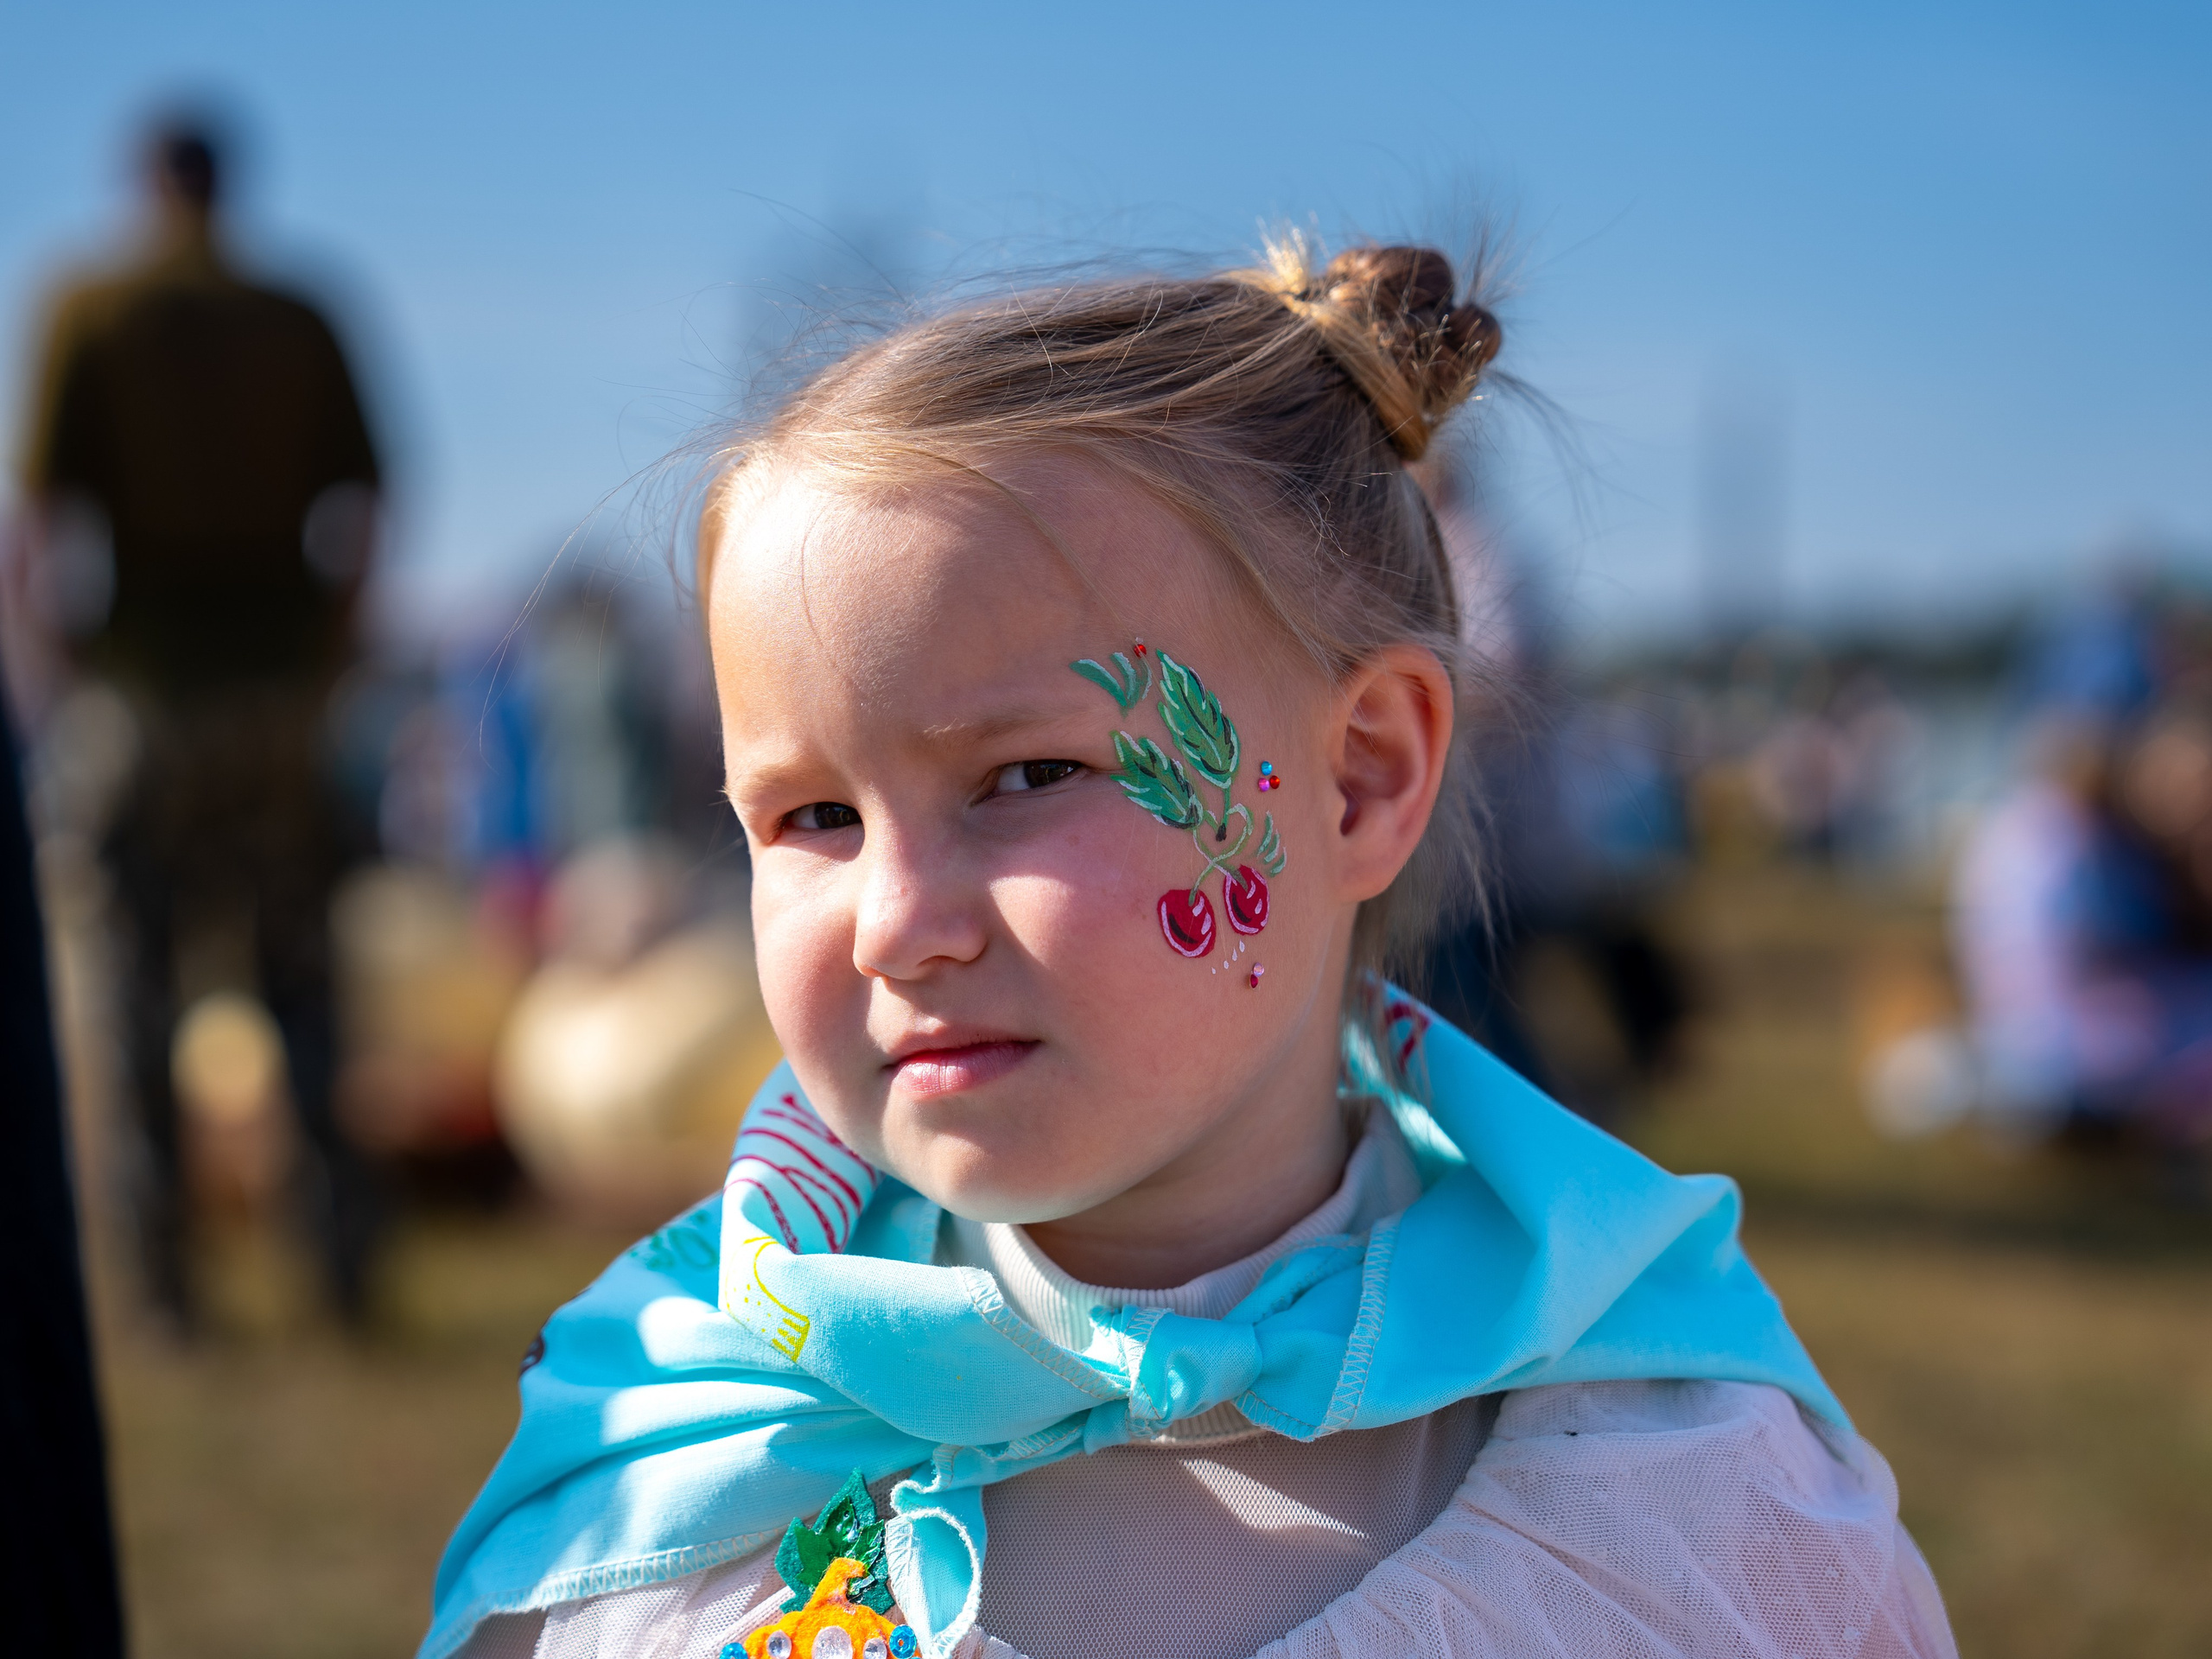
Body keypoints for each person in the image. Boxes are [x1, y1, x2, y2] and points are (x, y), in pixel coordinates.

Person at [424, 240, 1956, 1659]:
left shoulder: (1684, 1507)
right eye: (812, 815)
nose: (896, 922)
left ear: (1361, 776)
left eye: (1027, 778)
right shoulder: (664, 1462)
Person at [13, 115, 385, 1325]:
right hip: (280, 700)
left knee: (130, 993)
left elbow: (39, 518)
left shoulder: (94, 307)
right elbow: (369, 503)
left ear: (146, 182)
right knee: (304, 988)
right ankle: (339, 1268)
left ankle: (166, 1296)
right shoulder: (300, 315)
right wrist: (330, 658)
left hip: (148, 694)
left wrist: (65, 669)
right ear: (230, 184)